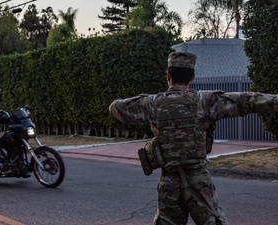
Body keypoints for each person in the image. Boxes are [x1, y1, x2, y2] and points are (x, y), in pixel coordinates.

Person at [109, 52, 278, 225]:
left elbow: (116, 108)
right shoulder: (204, 101)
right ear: (193, 77)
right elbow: (244, 101)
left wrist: (144, 101)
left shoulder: (152, 103)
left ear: (168, 75)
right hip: (199, 181)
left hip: (169, 183)